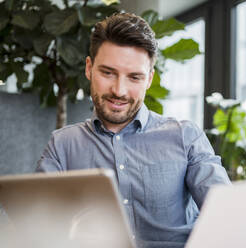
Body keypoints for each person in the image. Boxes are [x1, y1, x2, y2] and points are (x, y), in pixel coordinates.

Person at [36, 12, 231, 248]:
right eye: (108, 73)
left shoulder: (185, 137)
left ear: (149, 79)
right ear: (89, 68)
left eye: (134, 77)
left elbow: (226, 215)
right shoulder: (62, 145)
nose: (119, 90)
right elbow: (36, 226)